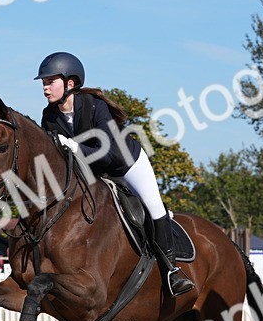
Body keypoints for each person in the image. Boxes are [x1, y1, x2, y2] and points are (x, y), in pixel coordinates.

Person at [34, 51, 194, 296]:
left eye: (50, 82)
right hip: (93, 171)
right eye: (44, 83)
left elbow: (107, 154)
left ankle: (172, 271)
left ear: (70, 83)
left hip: (126, 164)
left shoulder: (94, 106)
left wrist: (74, 147)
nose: (45, 88)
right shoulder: (49, 116)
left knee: (154, 206)